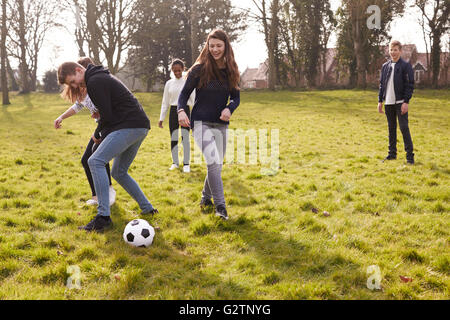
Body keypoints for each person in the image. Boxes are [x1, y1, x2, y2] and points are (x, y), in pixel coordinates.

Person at [57, 60, 158, 232]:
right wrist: (100, 133)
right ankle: (148, 208)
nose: (74, 85)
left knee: (94, 160)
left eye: (73, 81)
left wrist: (97, 134)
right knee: (118, 172)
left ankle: (103, 217)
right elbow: (107, 111)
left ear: (78, 70)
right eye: (71, 84)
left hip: (129, 125)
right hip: (139, 125)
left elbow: (107, 115)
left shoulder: (95, 81)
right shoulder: (97, 77)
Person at [177, 29, 240, 220]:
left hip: (221, 124)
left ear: (226, 46)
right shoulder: (199, 69)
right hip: (200, 122)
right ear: (207, 46)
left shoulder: (231, 70)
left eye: (218, 46)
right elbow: (183, 95)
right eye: (211, 45)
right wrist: (181, 111)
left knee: (216, 165)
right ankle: (220, 207)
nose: (214, 49)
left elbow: (236, 98)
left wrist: (230, 108)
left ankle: (205, 198)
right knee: (213, 161)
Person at [55, 57, 116, 207]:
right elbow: (77, 106)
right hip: (100, 126)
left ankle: (108, 192)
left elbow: (108, 106)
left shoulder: (94, 85)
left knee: (96, 158)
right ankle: (97, 196)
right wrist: (61, 116)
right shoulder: (82, 90)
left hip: (107, 126)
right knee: (88, 159)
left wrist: (98, 113)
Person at [378, 40, 415, 165]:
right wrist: (380, 101)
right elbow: (382, 85)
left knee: (404, 128)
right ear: (389, 51)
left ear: (400, 51)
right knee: (391, 128)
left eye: (395, 50)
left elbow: (410, 85)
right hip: (388, 103)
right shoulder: (385, 66)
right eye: (391, 50)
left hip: (400, 102)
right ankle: (392, 154)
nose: (393, 52)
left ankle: (410, 157)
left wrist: (406, 102)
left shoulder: (405, 66)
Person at [158, 59, 195, 173]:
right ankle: (175, 163)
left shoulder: (187, 81)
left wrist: (194, 118)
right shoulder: (169, 83)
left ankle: (186, 164)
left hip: (185, 110)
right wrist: (161, 118)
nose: (177, 73)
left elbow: (193, 100)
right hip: (173, 111)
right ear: (172, 71)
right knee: (174, 138)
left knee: (185, 138)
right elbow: (165, 101)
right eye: (175, 71)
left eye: (179, 70)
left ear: (183, 69)